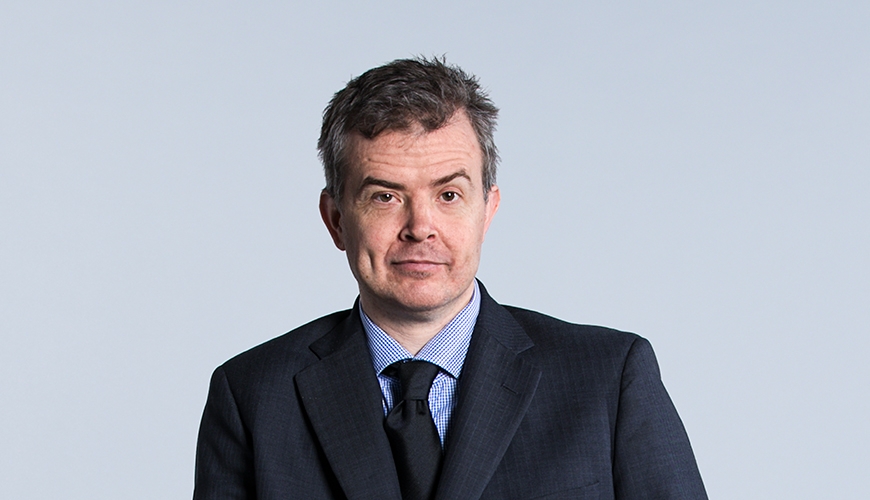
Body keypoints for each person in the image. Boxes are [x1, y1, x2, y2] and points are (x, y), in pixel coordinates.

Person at [193, 57, 707, 500]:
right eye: (385, 196)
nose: (421, 228)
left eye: (449, 195)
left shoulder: (608, 379)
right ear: (335, 219)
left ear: (488, 209)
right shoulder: (253, 397)